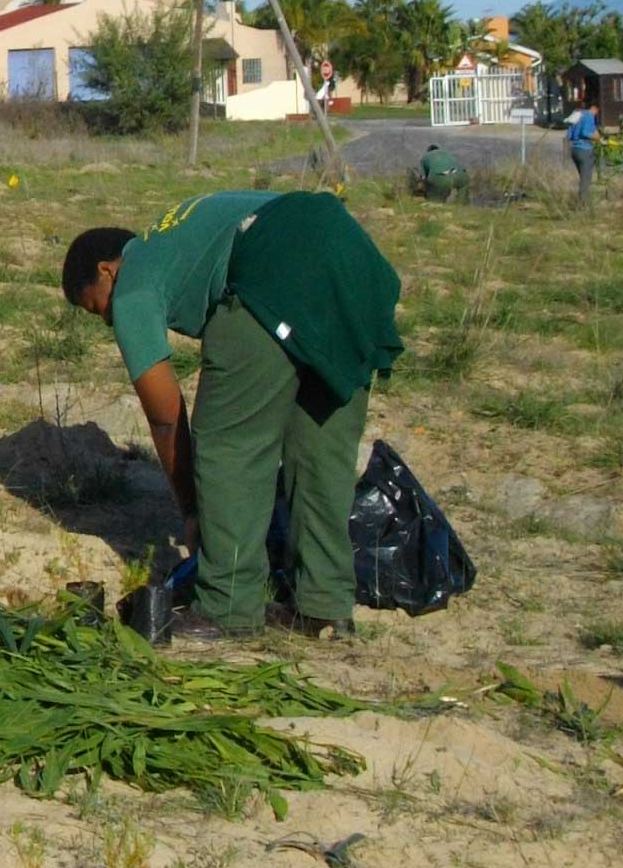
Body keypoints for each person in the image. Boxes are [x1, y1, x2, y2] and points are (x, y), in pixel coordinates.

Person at [62, 190, 405, 644]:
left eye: (96, 306)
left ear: (107, 270)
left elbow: (164, 416)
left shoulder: (135, 277)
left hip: (275, 265)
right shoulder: (177, 232)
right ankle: (323, 607)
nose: (107, 320)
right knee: (319, 450)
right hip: (352, 260)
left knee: (228, 443)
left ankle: (228, 605)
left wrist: (190, 510)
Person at [564, 93, 601, 205]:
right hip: (585, 149)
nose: (597, 113)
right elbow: (585, 132)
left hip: (574, 150)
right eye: (597, 111)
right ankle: (583, 205)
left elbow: (569, 135)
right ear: (594, 108)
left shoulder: (578, 114)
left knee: (583, 177)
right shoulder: (589, 116)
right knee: (586, 180)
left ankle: (585, 202)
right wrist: (597, 138)